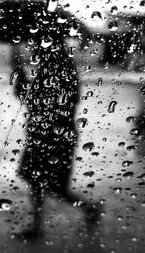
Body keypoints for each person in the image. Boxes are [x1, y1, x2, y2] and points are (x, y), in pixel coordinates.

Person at [14, 27, 102, 238]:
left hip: (56, 136)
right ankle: (37, 226)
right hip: (40, 134)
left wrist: (25, 86)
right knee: (35, 181)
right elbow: (29, 100)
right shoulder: (46, 68)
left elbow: (50, 103)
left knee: (55, 187)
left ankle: (88, 208)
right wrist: (21, 80)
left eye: (38, 44)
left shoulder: (62, 70)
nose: (35, 48)